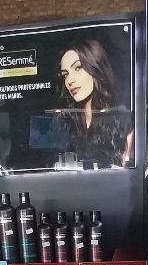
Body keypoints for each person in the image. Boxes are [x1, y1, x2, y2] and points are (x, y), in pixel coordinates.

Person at [56, 38, 133, 168]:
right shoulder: (65, 121)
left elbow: (128, 170)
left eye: (78, 68)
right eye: (65, 74)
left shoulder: (122, 119)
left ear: (96, 68)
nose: (69, 80)